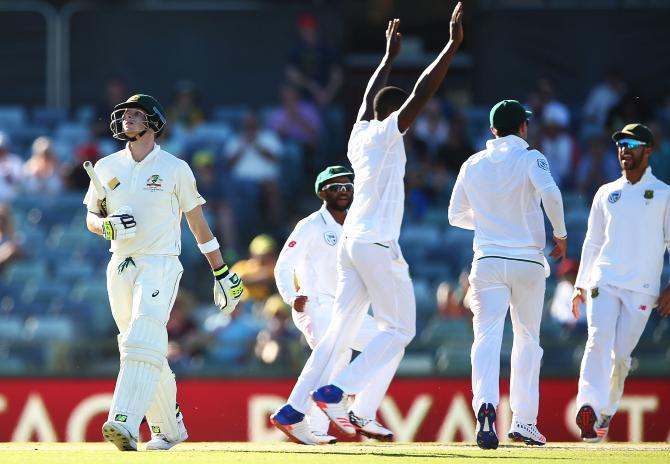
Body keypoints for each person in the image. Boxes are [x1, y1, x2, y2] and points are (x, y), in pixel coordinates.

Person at [271, 3, 464, 445]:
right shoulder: (389, 132)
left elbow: (366, 99)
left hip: (352, 243)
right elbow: (422, 93)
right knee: (401, 329)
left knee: (337, 334)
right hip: (377, 241)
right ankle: (340, 392)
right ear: (397, 117)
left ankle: (292, 408)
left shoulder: (359, 133)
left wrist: (386, 59)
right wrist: (451, 46)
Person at [83, 94, 243, 452]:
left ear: (154, 123)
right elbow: (91, 218)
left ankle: (123, 420)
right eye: (124, 115)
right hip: (119, 263)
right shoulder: (106, 167)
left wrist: (222, 270)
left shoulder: (175, 169)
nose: (127, 120)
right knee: (137, 345)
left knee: (143, 335)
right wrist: (106, 227)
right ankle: (169, 430)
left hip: (160, 262)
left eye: (136, 115)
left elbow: (198, 224)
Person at [448, 99, 568, 449]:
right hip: (528, 261)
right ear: (523, 127)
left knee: (485, 338)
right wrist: (560, 234)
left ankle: (485, 406)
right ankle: (524, 421)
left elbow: (456, 215)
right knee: (527, 339)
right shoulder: (531, 157)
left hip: (486, 260)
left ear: (492, 130)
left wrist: (489, 223)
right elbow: (552, 194)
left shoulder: (472, 163)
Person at [273, 166, 401, 444]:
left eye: (347, 187)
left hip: (347, 308)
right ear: (322, 192)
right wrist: (291, 296)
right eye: (335, 187)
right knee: (335, 355)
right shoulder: (311, 225)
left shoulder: (359, 225)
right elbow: (284, 265)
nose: (343, 192)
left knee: (390, 345)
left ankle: (356, 413)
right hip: (315, 303)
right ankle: (306, 422)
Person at [572, 123, 670, 443]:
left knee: (620, 356)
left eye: (631, 143)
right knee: (597, 339)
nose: (624, 149)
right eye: (620, 144)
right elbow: (592, 242)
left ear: (648, 150)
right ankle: (587, 405)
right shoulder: (605, 193)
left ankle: (605, 413)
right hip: (605, 279)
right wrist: (580, 284)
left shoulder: (664, 195)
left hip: (642, 289)